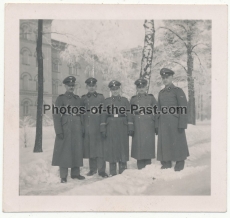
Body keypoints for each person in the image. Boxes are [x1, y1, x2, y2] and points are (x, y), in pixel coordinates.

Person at [52, 76, 85, 183]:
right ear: (65, 86)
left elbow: (82, 114)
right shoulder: (60, 98)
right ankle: (63, 175)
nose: (71, 87)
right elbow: (56, 115)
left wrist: (82, 127)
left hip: (76, 125)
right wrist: (59, 131)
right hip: (65, 126)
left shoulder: (77, 99)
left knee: (77, 149)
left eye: (72, 85)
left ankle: (75, 173)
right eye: (69, 85)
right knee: (64, 151)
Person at [156, 68, 189, 171]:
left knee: (177, 140)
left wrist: (182, 124)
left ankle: (180, 161)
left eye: (167, 77)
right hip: (163, 122)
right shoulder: (161, 93)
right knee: (165, 141)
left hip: (175, 121)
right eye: (163, 78)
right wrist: (158, 123)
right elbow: (158, 109)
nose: (165, 79)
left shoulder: (178, 91)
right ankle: (166, 162)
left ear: (171, 77)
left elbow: (183, 108)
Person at [100, 80, 134, 176]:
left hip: (122, 125)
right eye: (113, 89)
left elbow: (129, 114)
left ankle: (123, 172)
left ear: (119, 89)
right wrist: (103, 128)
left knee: (122, 147)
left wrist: (130, 126)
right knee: (112, 148)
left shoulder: (124, 100)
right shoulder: (106, 101)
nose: (115, 91)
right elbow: (103, 115)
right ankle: (113, 172)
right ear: (110, 90)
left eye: (117, 89)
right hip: (110, 125)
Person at [81, 77, 108, 178]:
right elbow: (81, 113)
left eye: (93, 86)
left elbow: (104, 112)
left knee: (100, 149)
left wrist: (103, 125)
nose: (91, 88)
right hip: (88, 126)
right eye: (89, 86)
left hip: (98, 125)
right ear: (86, 87)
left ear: (96, 86)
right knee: (90, 148)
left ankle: (101, 170)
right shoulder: (83, 98)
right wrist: (83, 127)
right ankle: (92, 169)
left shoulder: (101, 97)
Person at [130, 78, 158, 170]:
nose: (141, 89)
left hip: (149, 124)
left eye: (143, 87)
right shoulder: (133, 99)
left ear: (146, 87)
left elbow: (157, 110)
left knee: (148, 144)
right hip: (138, 123)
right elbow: (130, 112)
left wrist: (155, 122)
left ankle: (148, 164)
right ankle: (140, 164)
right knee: (139, 144)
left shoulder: (151, 98)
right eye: (139, 87)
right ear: (137, 88)